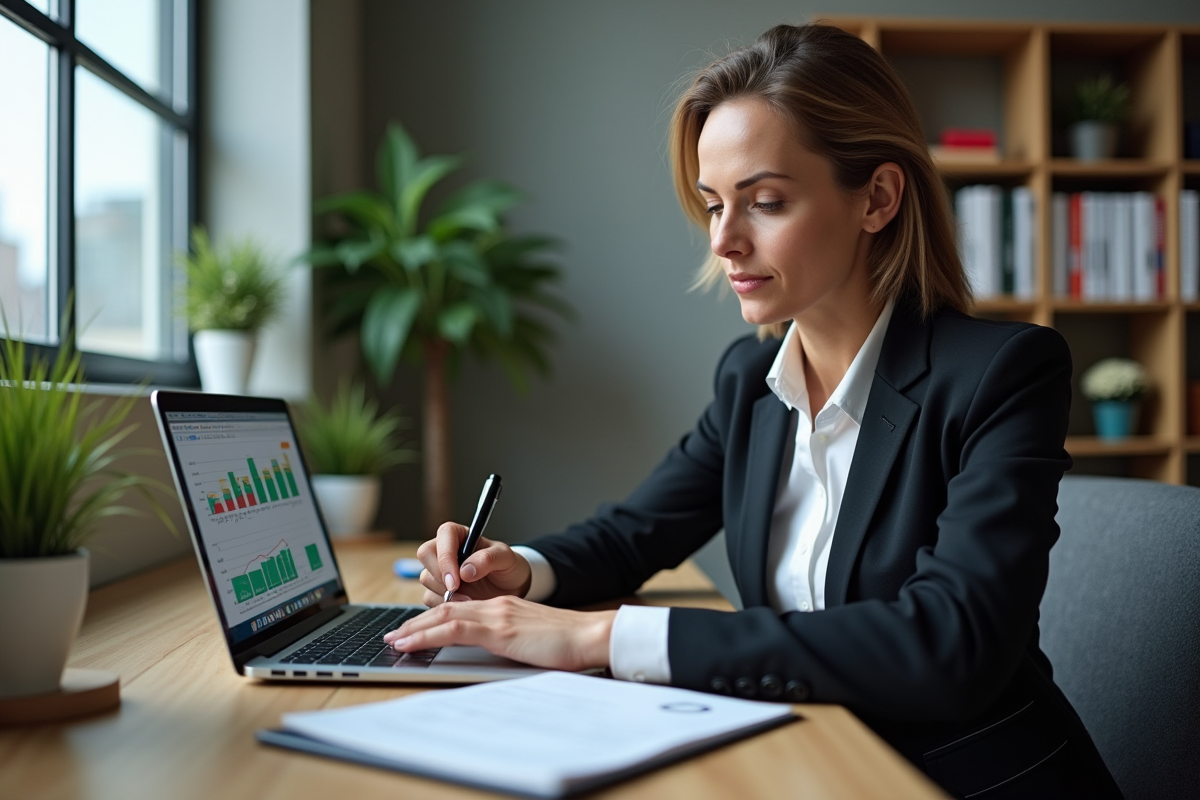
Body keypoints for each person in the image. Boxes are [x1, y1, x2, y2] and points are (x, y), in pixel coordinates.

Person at [382, 23, 1123, 799]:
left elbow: (949, 644)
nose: (725, 241)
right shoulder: (751, 381)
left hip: (964, 780)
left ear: (877, 197)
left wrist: (598, 635)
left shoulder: (1000, 375)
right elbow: (634, 531)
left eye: (765, 202)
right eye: (712, 204)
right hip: (811, 764)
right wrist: (521, 572)